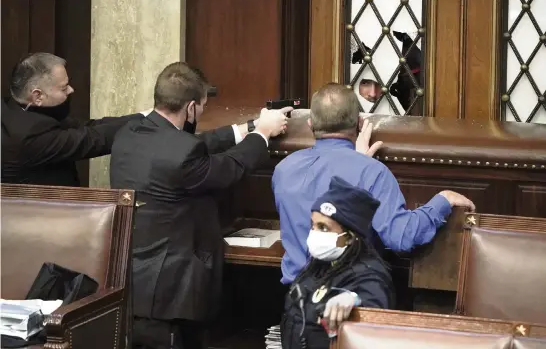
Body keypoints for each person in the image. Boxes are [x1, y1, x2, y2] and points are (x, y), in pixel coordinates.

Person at [109, 61, 289, 349]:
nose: (202, 112)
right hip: (172, 288)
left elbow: (193, 143)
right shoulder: (182, 152)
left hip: (132, 276)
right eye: (203, 106)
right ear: (191, 107)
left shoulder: (130, 133)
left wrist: (250, 127)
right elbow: (228, 168)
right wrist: (262, 136)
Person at [272, 83, 475, 285]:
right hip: (350, 301)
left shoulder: (283, 169)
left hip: (297, 301)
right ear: (360, 123)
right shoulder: (371, 172)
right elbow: (402, 237)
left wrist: (357, 161)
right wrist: (442, 201)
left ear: (310, 124)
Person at [281, 176, 395, 349]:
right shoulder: (321, 264)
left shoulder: (369, 272)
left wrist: (353, 299)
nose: (314, 233)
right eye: (313, 225)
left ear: (349, 237)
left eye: (324, 228)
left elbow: (375, 302)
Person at [1, 52, 143, 186]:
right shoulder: (29, 136)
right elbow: (92, 139)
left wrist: (144, 116)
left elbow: (86, 127)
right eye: (64, 88)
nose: (71, 90)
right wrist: (149, 121)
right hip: (38, 210)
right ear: (38, 96)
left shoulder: (14, 107)